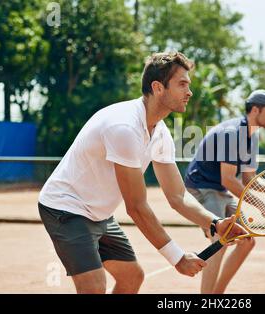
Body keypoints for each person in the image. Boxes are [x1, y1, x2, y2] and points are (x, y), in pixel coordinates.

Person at [38, 52, 245, 294]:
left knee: (132, 277)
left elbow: (177, 196)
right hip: (66, 208)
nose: (189, 92)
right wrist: (177, 258)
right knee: (94, 287)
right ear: (158, 88)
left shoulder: (159, 131)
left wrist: (215, 223)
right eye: (182, 84)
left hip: (98, 214)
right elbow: (135, 207)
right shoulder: (124, 127)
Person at [184, 89, 265, 294]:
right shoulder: (233, 133)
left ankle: (217, 294)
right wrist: (261, 205)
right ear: (255, 110)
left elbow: (249, 180)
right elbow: (229, 179)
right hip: (201, 188)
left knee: (247, 240)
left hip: (218, 189)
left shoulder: (251, 136)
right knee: (220, 240)